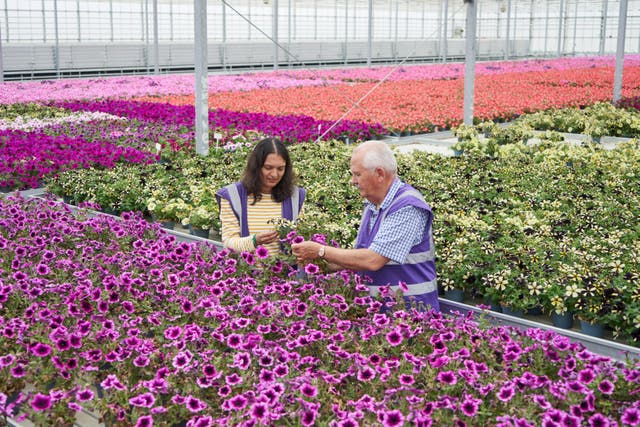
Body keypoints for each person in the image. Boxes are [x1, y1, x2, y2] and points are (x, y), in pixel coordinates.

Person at [292, 140, 439, 312]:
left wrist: (321, 251)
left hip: (411, 316)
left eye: (357, 174)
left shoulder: (408, 206)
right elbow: (361, 257)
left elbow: (373, 260)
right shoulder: (373, 205)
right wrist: (324, 265)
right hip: (382, 312)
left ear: (379, 174)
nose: (352, 181)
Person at [216, 137, 305, 256]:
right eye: (268, 168)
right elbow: (228, 243)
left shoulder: (295, 196)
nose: (274, 174)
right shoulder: (232, 195)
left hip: (286, 273)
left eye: (280, 169)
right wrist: (254, 241)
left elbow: (303, 237)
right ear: (256, 166)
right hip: (246, 273)